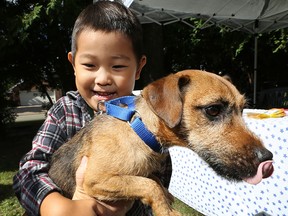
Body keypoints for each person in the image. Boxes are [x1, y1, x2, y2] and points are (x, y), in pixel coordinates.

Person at [13, 1, 172, 216]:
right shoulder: (66, 111)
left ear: (139, 68)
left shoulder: (147, 125)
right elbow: (28, 171)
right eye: (90, 65)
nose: (103, 78)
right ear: (73, 65)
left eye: (117, 66)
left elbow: (157, 187)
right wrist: (59, 208)